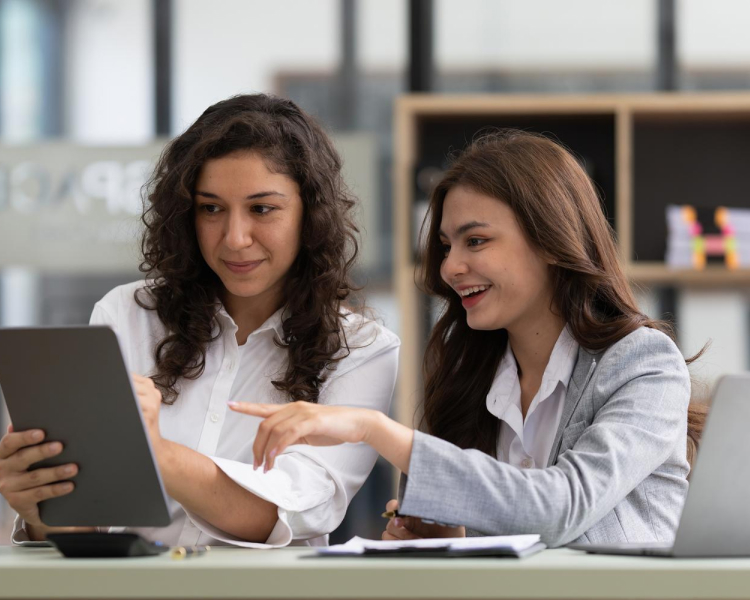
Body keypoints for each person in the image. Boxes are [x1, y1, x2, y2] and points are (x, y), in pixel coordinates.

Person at [230, 130, 704, 547]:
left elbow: (561, 507)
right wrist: (453, 537)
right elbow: (504, 536)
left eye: (475, 241)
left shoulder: (644, 363)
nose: (450, 267)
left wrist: (374, 429)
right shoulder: (467, 377)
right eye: (446, 245)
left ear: (553, 242)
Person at [0, 94, 399, 548]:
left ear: (311, 215)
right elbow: (87, 525)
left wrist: (153, 453)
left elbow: (290, 513)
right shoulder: (126, 313)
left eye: (262, 209)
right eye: (211, 208)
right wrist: (41, 506)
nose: (234, 238)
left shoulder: (364, 349)